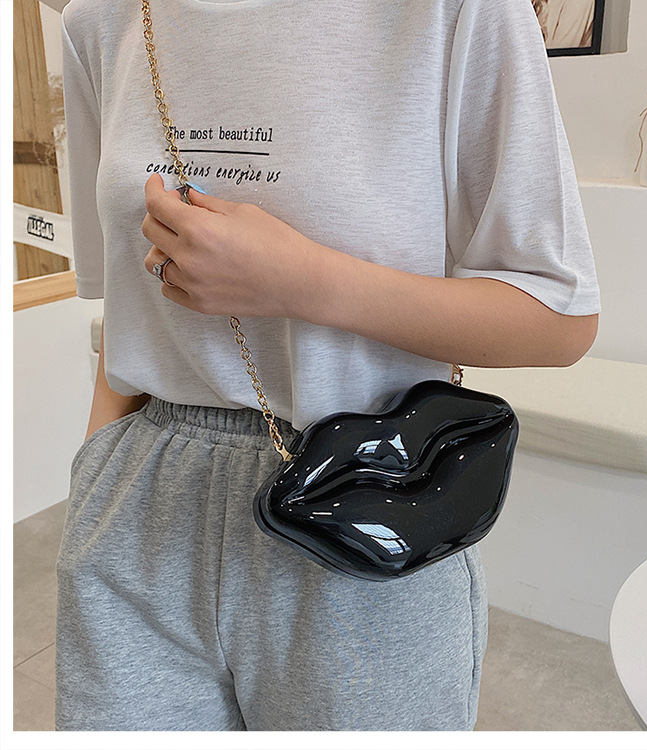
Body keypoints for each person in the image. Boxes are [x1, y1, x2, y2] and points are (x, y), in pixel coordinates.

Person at [55, 0, 600, 732]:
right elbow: (127, 310)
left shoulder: (454, 12)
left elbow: (560, 321)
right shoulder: (100, 20)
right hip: (141, 506)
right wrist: (93, 486)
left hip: (367, 497)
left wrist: (304, 283)